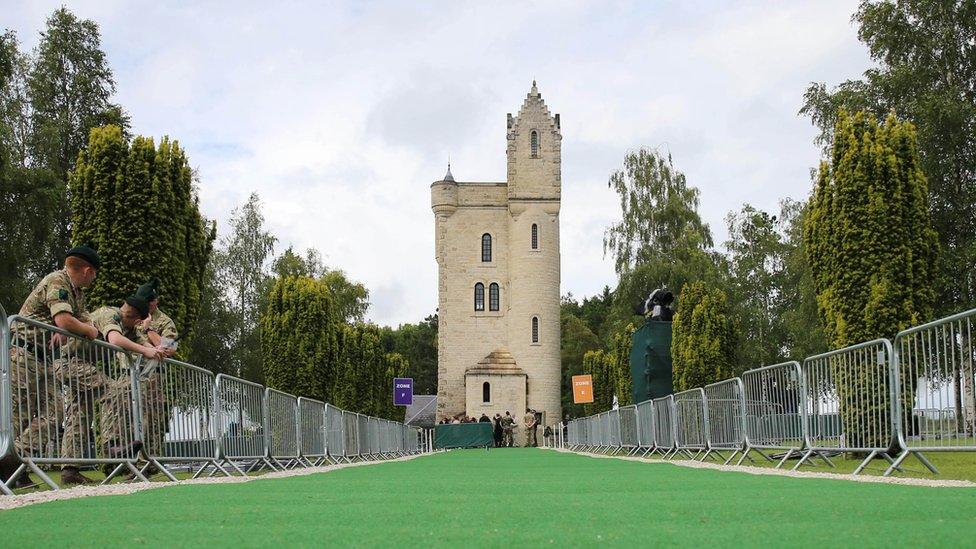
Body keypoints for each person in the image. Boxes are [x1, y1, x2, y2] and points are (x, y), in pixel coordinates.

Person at [0, 243, 102, 488]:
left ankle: (13, 463)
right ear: (88, 270)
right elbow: (66, 320)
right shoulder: (57, 281)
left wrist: (79, 328)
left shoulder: (76, 293)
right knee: (17, 414)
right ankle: (10, 469)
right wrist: (80, 329)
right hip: (22, 354)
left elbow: (83, 321)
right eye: (95, 275)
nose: (94, 279)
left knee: (54, 414)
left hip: (44, 359)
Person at [59, 293, 162, 484]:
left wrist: (155, 350)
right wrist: (146, 351)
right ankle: (111, 445)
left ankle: (69, 470)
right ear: (138, 319)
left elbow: (143, 343)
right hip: (68, 363)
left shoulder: (128, 325)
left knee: (79, 414)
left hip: (82, 366)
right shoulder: (109, 315)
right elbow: (115, 340)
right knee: (113, 390)